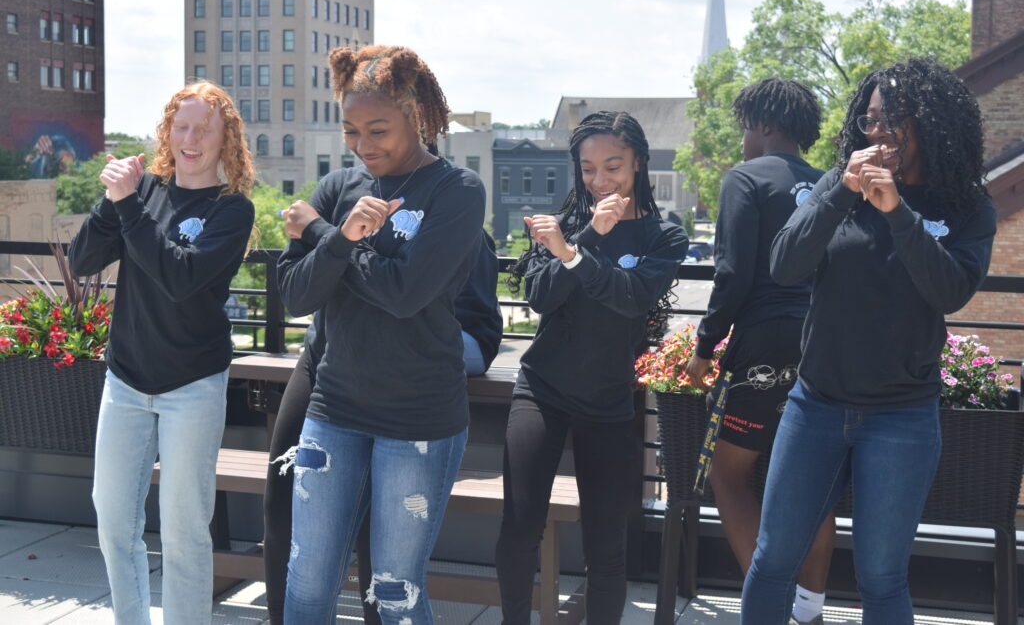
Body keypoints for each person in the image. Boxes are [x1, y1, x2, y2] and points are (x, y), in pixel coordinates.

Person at [742, 58, 997, 624]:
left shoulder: (966, 209)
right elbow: (784, 265)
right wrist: (839, 192)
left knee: (881, 578)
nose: (877, 133)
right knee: (773, 557)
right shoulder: (839, 186)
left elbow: (951, 290)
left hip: (901, 416)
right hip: (816, 405)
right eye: (870, 119)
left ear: (930, 124)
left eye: (892, 121)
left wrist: (898, 212)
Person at [277, 45, 486, 623]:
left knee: (395, 589)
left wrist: (322, 231)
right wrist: (341, 238)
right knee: (308, 579)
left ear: (415, 116)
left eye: (377, 129)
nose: (364, 145)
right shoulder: (339, 187)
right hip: (333, 407)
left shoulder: (458, 191)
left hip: (419, 416)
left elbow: (405, 294)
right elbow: (295, 296)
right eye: (350, 131)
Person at [68, 82, 256, 625]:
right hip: (125, 380)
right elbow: (82, 262)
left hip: (192, 385)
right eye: (181, 126)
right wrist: (113, 201)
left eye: (204, 129)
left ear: (227, 141)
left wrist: (129, 208)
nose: (190, 139)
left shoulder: (231, 210)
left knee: (182, 529)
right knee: (112, 519)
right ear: (167, 132)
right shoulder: (140, 192)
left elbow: (180, 278)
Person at [496, 111, 689, 624]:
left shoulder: (664, 236)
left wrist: (574, 253)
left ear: (639, 163)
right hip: (542, 389)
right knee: (519, 525)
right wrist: (583, 239)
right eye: (588, 169)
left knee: (607, 545)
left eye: (613, 166)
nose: (600, 180)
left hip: (607, 401)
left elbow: (630, 300)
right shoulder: (565, 225)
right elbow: (539, 297)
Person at [262, 215, 502, 625]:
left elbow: (475, 335)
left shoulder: (459, 217)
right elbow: (299, 290)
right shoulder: (344, 203)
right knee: (283, 505)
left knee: (387, 558)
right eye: (357, 144)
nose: (371, 148)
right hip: (328, 362)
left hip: (413, 376)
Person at [684, 78, 835, 625]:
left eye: (746, 125)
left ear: (765, 125)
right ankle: (811, 611)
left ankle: (770, 608)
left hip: (762, 347)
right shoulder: (830, 184)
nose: (743, 138)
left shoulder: (744, 179)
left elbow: (731, 276)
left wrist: (704, 349)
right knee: (812, 482)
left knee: (729, 474)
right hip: (822, 348)